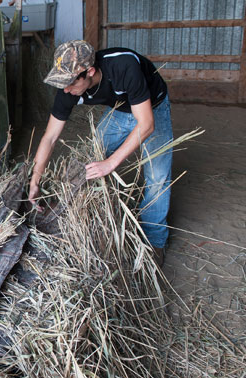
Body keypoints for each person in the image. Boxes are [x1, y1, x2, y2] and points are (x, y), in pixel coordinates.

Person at [28, 40, 172, 265]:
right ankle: (85, 214)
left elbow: (146, 125)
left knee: (157, 176)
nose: (65, 89)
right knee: (91, 156)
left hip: (152, 106)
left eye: (70, 83)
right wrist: (35, 178)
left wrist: (111, 163)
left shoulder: (124, 66)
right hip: (120, 110)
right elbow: (50, 137)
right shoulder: (68, 89)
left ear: (90, 72)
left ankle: (155, 242)